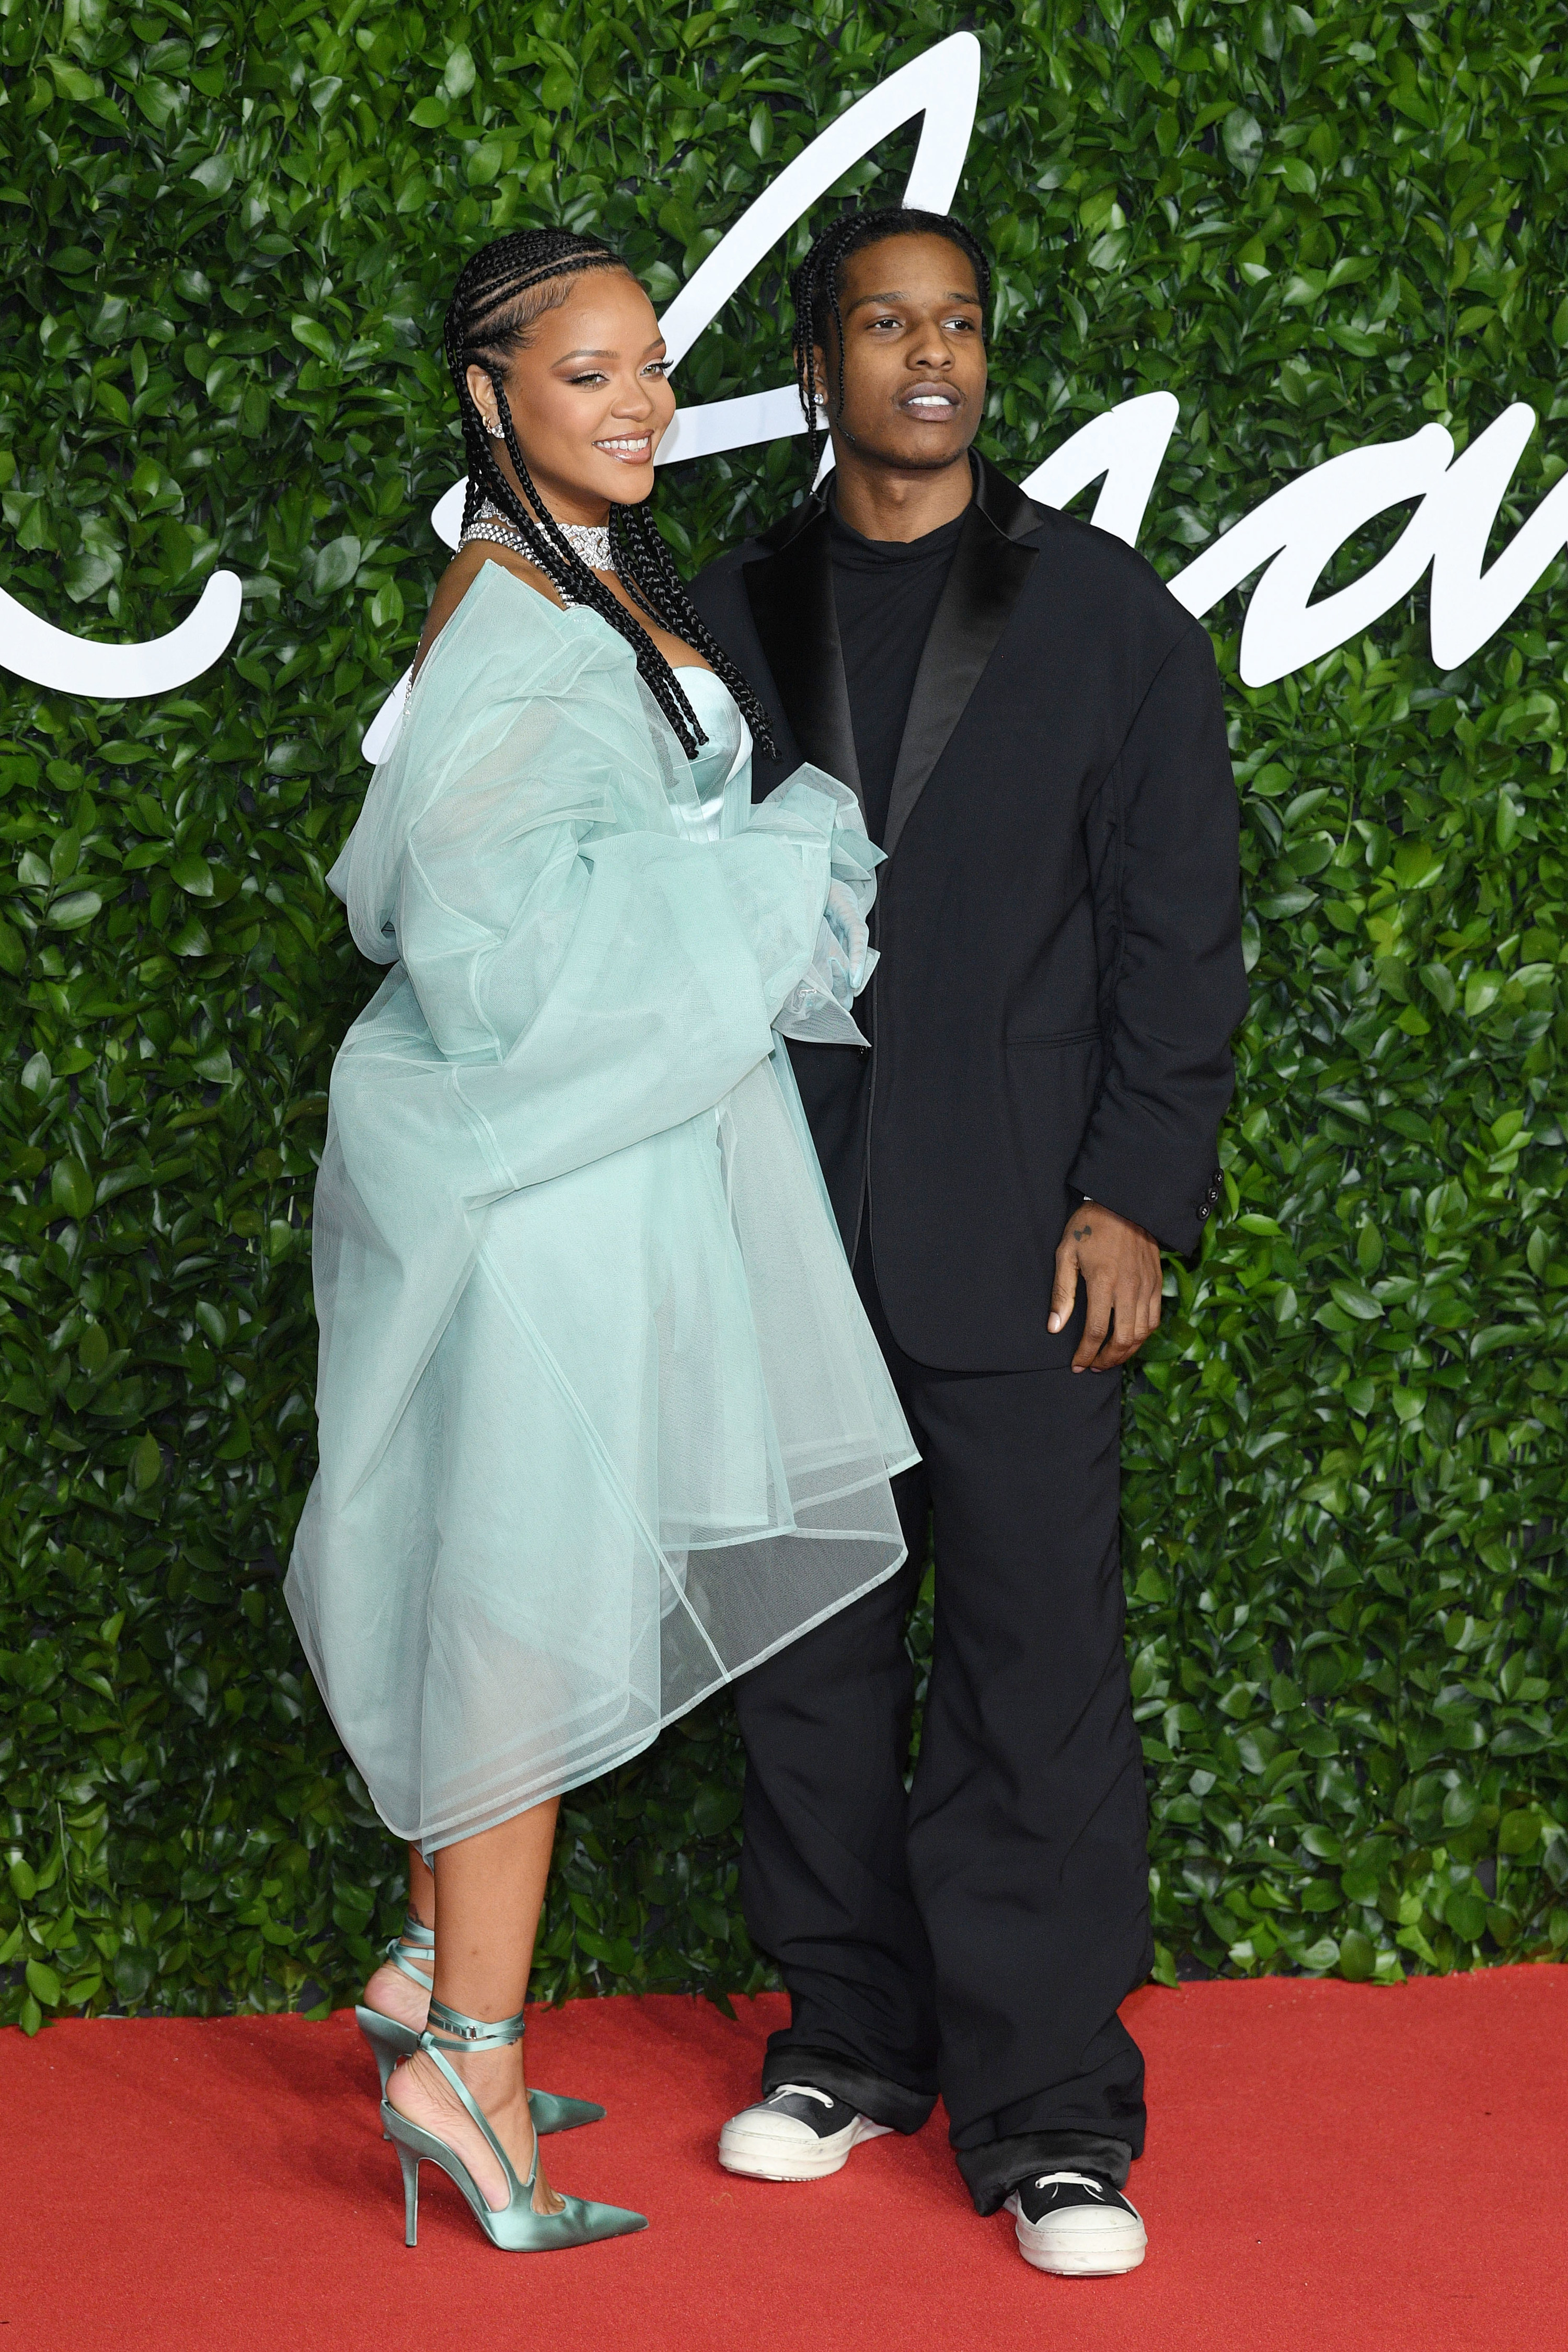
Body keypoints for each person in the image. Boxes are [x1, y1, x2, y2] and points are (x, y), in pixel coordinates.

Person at [284, 227, 917, 2254]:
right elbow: (488, 957)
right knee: (523, 1619)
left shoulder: (587, 587)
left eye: (651, 364)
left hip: (593, 1186)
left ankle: (425, 1988)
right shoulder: (511, 620)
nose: (642, 401)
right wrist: (751, 894)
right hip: (537, 1210)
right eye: (589, 373)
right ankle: (469, 2065)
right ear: (490, 398)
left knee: (516, 1592)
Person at [689, 205, 1247, 2278]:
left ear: (986, 364)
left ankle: (1052, 2123)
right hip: (774, 1226)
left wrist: (1135, 1194)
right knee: (809, 1668)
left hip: (1026, 1237)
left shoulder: (1110, 620)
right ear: (820, 361)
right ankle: (845, 2040)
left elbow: (1183, 939)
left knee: (1035, 1671)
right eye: (884, 324)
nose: (931, 358)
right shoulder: (722, 607)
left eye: (962, 327)